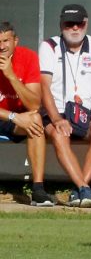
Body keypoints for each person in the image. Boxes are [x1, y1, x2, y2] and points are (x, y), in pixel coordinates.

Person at [39, 4, 91, 208]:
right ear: (61, 24)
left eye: (79, 23)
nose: (74, 28)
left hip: (89, 112)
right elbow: (43, 87)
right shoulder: (49, 46)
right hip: (57, 111)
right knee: (58, 134)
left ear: (86, 23)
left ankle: (81, 188)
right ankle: (84, 188)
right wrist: (56, 119)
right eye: (69, 23)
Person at [0, 22, 54, 207]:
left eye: (6, 40)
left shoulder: (28, 57)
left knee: (36, 120)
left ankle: (38, 189)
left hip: (18, 119)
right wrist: (14, 117)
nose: (1, 46)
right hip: (8, 116)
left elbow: (34, 104)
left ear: (15, 41)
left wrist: (11, 75)